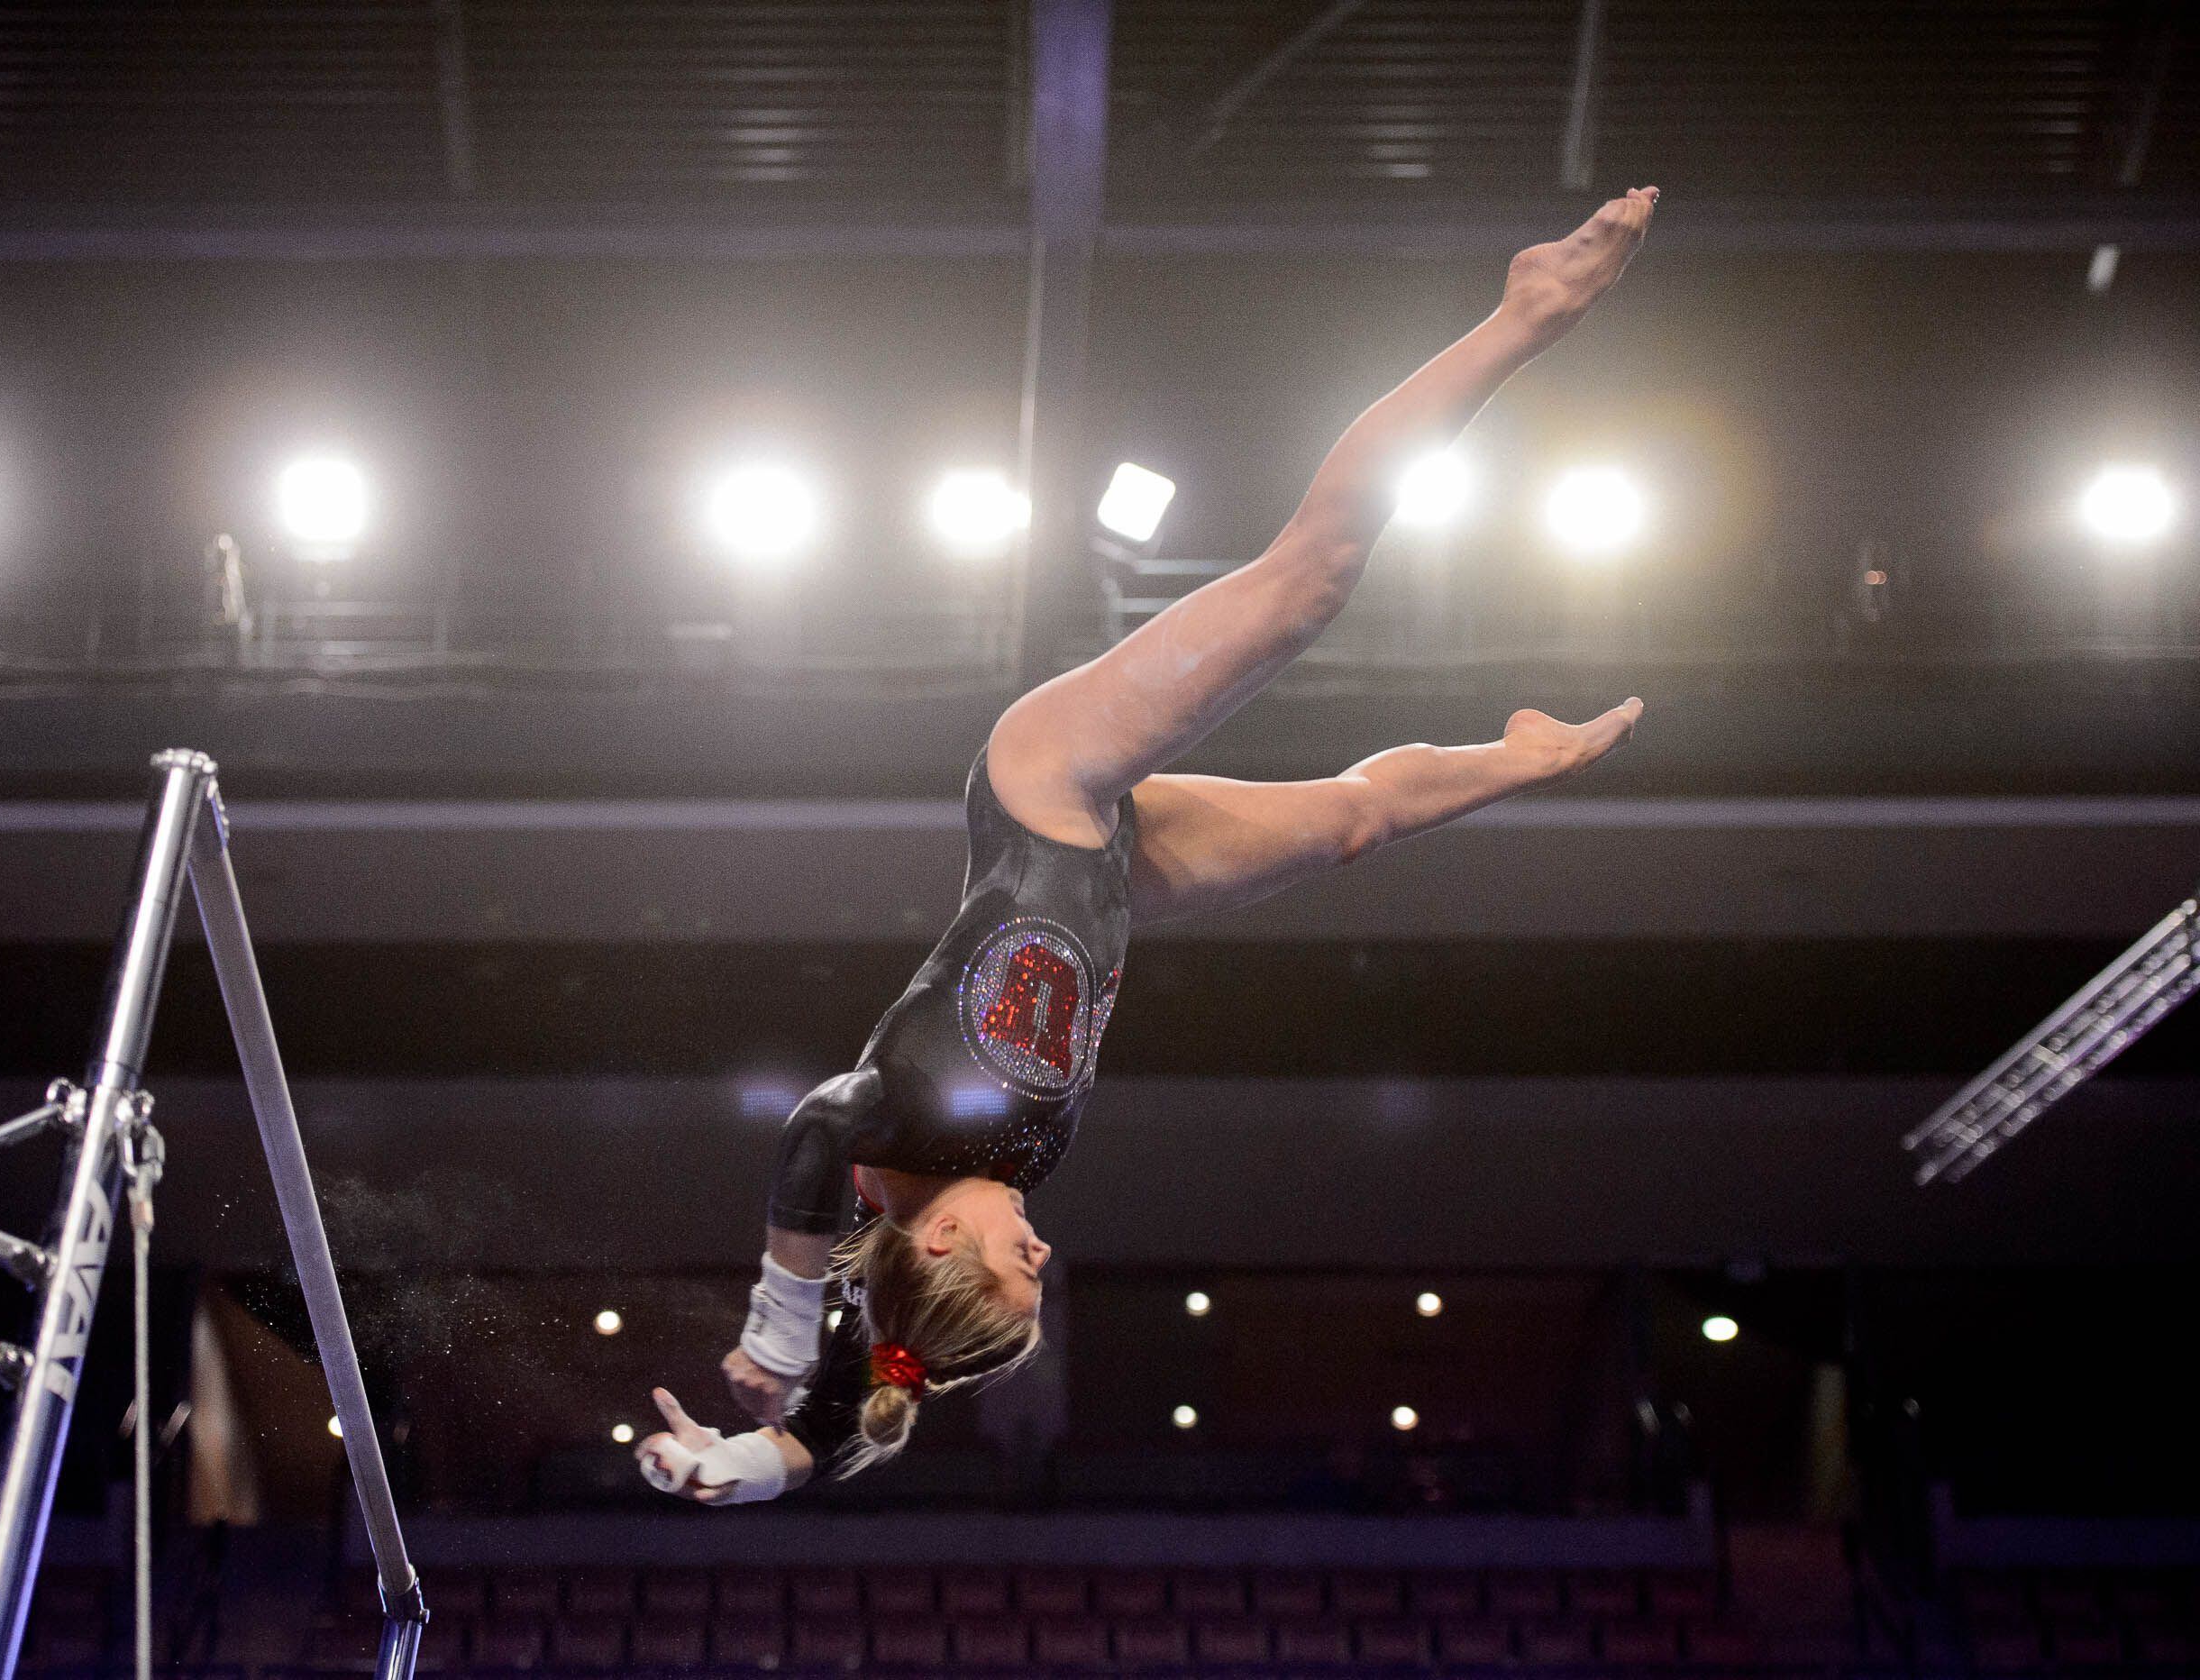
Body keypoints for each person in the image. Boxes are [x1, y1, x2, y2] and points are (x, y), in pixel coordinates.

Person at [637, 187, 1661, 1505]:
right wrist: (743, 1464)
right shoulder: (988, 1181)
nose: (1045, 1257)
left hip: (1043, 788)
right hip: (1114, 877)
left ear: (943, 1235)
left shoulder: (902, 1117)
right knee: (1353, 821)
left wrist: (778, 1321)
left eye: (1014, 1269)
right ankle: (1522, 755)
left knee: (1310, 582)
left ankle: (1523, 313)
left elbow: (811, 1125)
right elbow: (878, 1394)